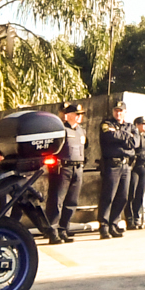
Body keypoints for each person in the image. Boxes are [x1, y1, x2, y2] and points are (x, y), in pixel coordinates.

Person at [48, 103, 85, 243]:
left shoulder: (81, 130)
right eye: (77, 114)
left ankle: (63, 229)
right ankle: (52, 231)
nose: (79, 117)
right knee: (57, 200)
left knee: (71, 201)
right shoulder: (61, 130)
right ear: (68, 115)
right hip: (63, 168)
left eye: (80, 114)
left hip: (78, 168)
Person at [98, 98, 132, 237]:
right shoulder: (106, 124)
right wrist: (126, 137)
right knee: (108, 196)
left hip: (126, 165)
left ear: (125, 112)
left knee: (122, 197)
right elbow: (108, 136)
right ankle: (104, 226)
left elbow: (135, 143)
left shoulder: (130, 126)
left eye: (121, 111)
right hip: (112, 164)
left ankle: (114, 224)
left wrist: (119, 135)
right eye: (116, 111)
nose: (118, 113)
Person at [128, 116, 145, 229]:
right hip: (135, 166)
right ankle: (130, 218)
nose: (144, 126)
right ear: (136, 125)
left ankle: (137, 217)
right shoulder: (132, 136)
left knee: (140, 193)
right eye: (142, 124)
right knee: (132, 193)